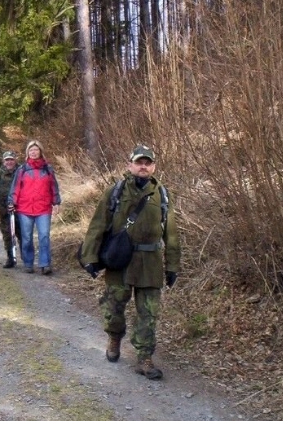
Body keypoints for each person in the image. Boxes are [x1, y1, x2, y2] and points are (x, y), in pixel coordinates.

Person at [79, 145, 181, 380]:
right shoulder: (115, 191)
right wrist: (90, 257)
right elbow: (97, 226)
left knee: (149, 313)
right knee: (113, 308)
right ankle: (114, 338)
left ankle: (144, 357)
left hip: (151, 264)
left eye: (147, 162)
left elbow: (172, 234)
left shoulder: (163, 195)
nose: (143, 166)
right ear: (130, 165)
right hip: (120, 261)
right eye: (139, 162)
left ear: (153, 166)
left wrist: (173, 265)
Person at [8, 140, 61, 275]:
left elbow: (53, 187)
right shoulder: (22, 169)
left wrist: (56, 202)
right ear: (27, 153)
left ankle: (45, 264)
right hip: (25, 208)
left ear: (40, 152)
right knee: (26, 237)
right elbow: (15, 188)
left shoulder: (48, 169)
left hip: (43, 208)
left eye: (36, 150)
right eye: (31, 150)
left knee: (44, 236)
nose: (33, 152)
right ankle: (28, 263)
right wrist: (11, 202)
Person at [0, 151, 22, 268]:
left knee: (22, 234)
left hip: (20, 210)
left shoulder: (21, 171)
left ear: (15, 160)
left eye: (11, 159)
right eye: (7, 160)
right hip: (4, 211)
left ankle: (26, 257)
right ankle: (10, 258)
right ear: (4, 161)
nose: (9, 162)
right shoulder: (0, 173)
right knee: (7, 235)